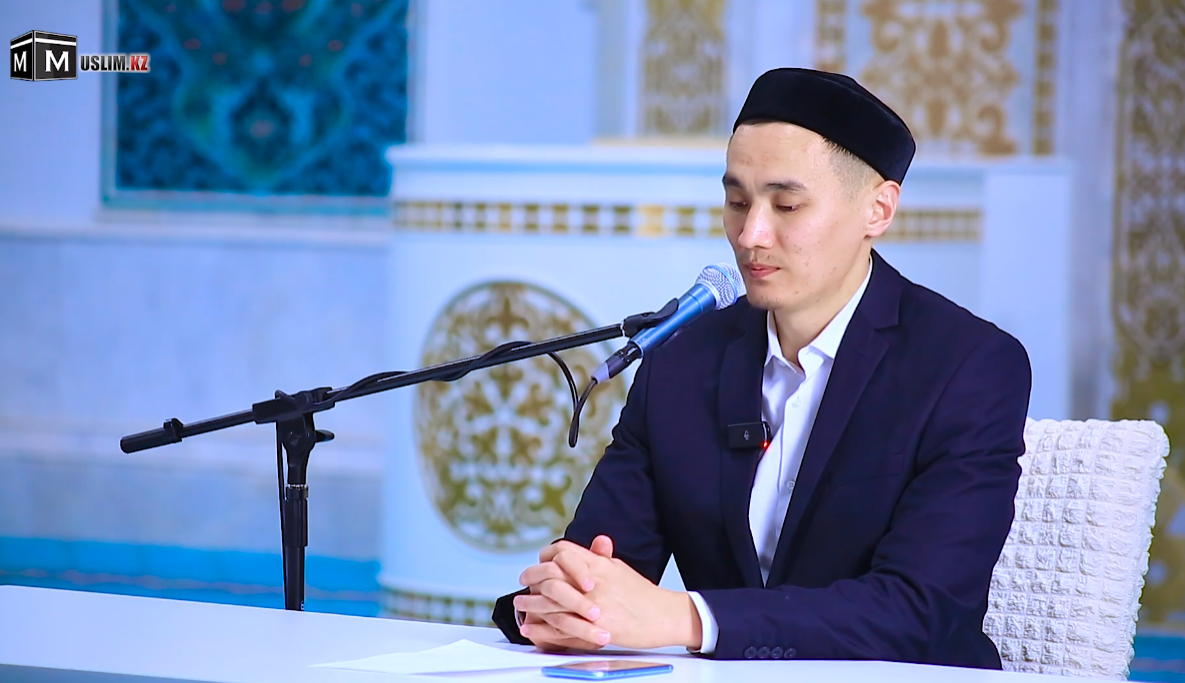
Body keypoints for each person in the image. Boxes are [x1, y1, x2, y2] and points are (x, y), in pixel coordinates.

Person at [491, 67, 1031, 669]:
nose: (750, 235)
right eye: (737, 202)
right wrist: (561, 603)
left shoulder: (968, 366)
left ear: (878, 210)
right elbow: (603, 565)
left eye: (787, 205)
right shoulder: (680, 361)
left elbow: (919, 610)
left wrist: (688, 618)